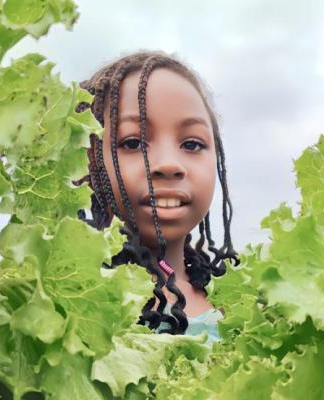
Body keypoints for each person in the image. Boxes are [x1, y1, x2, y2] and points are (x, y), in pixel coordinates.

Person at [74, 51, 239, 344]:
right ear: (89, 160)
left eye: (191, 144)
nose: (168, 165)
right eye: (133, 142)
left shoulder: (246, 304)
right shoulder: (68, 305)